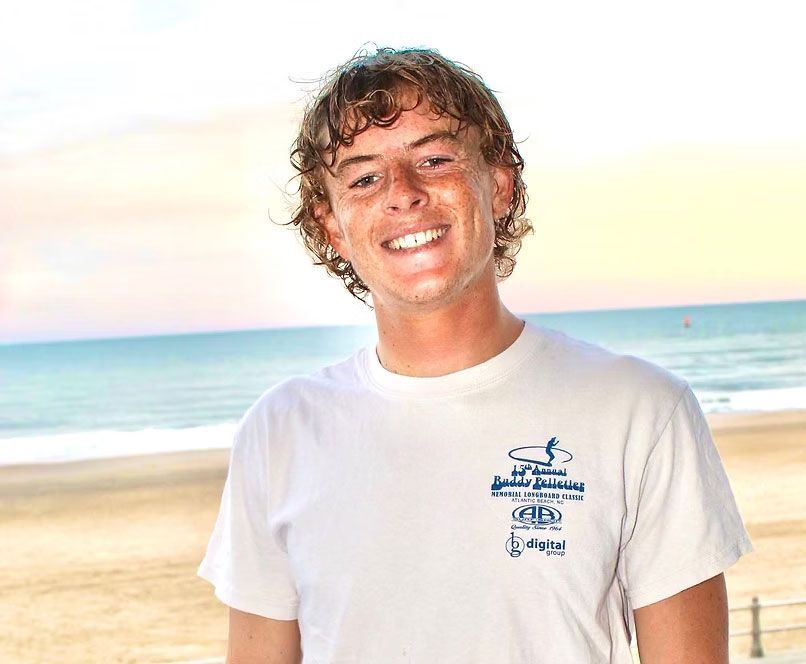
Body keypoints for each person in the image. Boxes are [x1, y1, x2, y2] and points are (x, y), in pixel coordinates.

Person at [197, 47, 752, 663]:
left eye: (434, 159)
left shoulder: (643, 411)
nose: (402, 193)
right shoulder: (279, 433)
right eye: (363, 178)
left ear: (499, 185)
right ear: (333, 228)